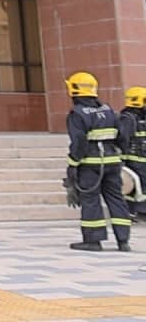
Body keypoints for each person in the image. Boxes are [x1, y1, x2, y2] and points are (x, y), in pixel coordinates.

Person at [63, 71, 133, 251]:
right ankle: (123, 241)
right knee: (116, 199)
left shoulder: (77, 113)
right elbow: (122, 136)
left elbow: (79, 142)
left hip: (90, 165)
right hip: (112, 163)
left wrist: (73, 164)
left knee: (91, 200)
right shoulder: (108, 110)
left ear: (74, 90)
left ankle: (93, 241)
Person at [117, 86, 146, 220]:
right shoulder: (128, 118)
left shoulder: (141, 117)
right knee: (135, 186)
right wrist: (122, 159)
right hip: (134, 160)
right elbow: (123, 139)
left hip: (142, 160)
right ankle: (134, 211)